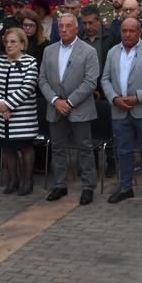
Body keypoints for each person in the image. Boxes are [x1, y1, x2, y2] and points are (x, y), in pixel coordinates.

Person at [101, 17, 142, 206]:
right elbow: (105, 79)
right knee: (123, 151)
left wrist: (138, 97)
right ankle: (125, 188)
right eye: (124, 31)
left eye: (131, 31)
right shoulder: (113, 51)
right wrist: (114, 98)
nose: (127, 34)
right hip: (119, 109)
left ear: (139, 32)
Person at [38, 13, 100, 205]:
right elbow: (42, 79)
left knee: (85, 148)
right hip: (55, 107)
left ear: (76, 28)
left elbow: (90, 82)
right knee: (58, 147)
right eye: (61, 26)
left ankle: (88, 186)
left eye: (68, 26)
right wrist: (56, 100)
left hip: (79, 107)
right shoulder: (49, 50)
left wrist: (70, 102)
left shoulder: (89, 51)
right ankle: (60, 184)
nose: (63, 29)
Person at [0, 27, 39, 195]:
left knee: (25, 147)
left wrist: (8, 105)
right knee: (7, 148)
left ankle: (27, 181)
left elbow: (28, 87)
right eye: (6, 42)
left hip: (22, 116)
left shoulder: (30, 62)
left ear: (22, 45)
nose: (8, 45)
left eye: (13, 42)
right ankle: (13, 179)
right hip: (1, 115)